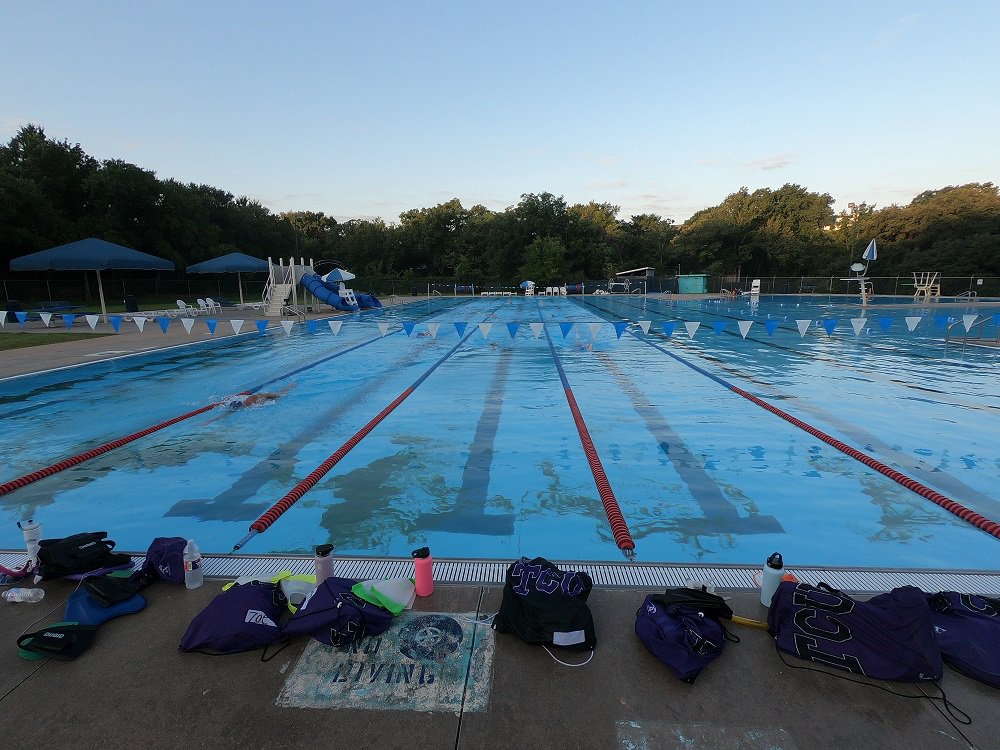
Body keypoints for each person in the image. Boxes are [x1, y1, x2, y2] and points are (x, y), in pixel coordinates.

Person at [227, 383, 294, 410]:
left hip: (268, 396)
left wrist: (276, 397)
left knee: (283, 393)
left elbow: (265, 396)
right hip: (263, 396)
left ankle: (291, 385)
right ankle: (290, 386)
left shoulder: (251, 402)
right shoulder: (245, 403)